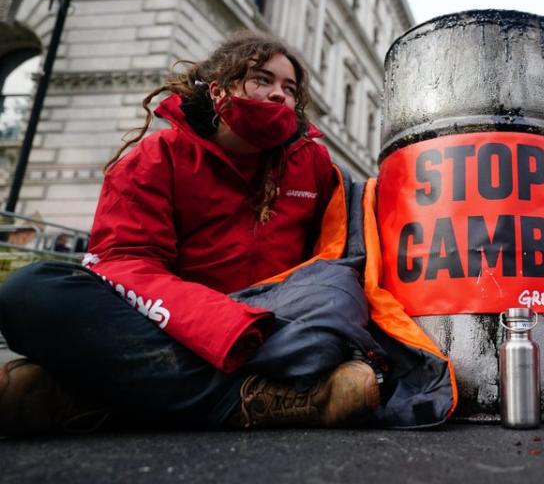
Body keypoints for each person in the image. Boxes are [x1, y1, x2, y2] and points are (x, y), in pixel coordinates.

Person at [0, 33, 394, 435]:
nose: (279, 95)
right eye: (262, 80)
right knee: (30, 292)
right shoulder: (154, 157)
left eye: (289, 89)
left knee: (332, 306)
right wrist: (221, 325)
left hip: (277, 327)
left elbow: (343, 251)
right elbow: (124, 263)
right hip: (177, 325)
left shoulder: (314, 163)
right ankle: (262, 398)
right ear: (219, 89)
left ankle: (93, 400)